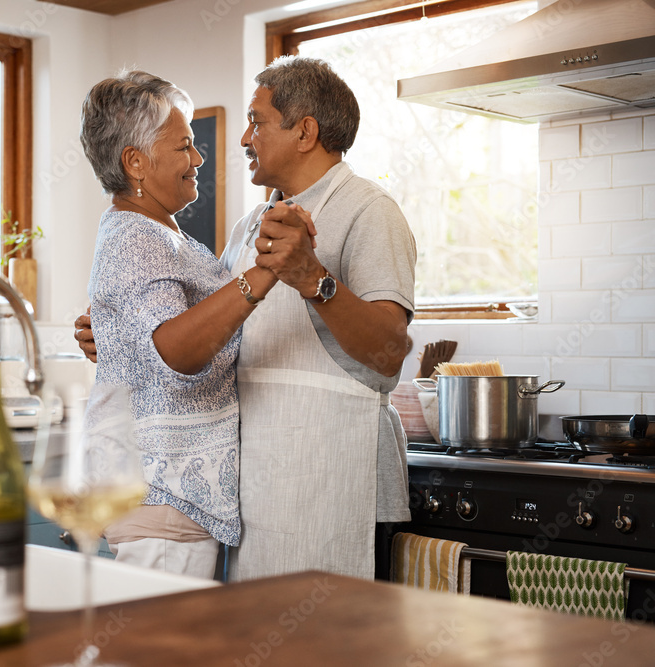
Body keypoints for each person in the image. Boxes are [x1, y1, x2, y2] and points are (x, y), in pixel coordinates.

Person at [76, 56, 416, 582]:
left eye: (256, 122)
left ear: (305, 132)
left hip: (332, 481)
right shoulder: (248, 226)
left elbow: (390, 352)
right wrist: (121, 335)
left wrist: (314, 279)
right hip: (252, 493)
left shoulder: (371, 211)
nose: (240, 139)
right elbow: (197, 331)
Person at [77, 70, 284, 579]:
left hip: (168, 503)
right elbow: (175, 348)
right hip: (164, 498)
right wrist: (266, 272)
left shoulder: (158, 235)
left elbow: (153, 335)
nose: (198, 159)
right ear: (136, 162)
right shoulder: (136, 238)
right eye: (184, 147)